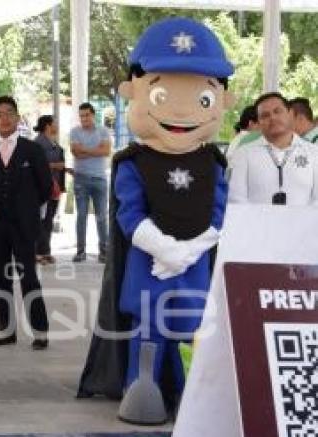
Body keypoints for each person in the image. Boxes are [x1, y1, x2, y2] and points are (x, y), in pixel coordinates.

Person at [78, 17, 234, 410]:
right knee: (148, 328)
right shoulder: (133, 162)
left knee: (192, 328)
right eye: (162, 95)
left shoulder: (213, 163)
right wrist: (164, 249)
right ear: (134, 92)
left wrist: (187, 253)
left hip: (193, 266)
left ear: (222, 102)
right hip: (149, 265)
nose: (182, 110)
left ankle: (187, 396)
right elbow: (129, 215)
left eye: (203, 99)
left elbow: (220, 215)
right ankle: (140, 389)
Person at [0, 96, 52, 350]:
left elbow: (45, 187)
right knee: (0, 278)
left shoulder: (33, 150)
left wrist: (27, 208)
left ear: (18, 118)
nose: (4, 118)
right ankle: (6, 330)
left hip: (24, 225)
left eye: (9, 113)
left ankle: (40, 332)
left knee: (28, 277)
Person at [229, 92, 318, 206]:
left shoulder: (313, 152)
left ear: (290, 114)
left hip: (303, 222)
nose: (272, 117)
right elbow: (236, 200)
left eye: (277, 111)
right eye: (265, 115)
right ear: (259, 122)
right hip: (256, 223)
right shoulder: (243, 154)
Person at [69, 102, 111, 263]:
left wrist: (85, 149)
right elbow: (76, 153)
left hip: (100, 179)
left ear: (93, 115)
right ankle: (80, 252)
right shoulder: (75, 131)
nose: (84, 118)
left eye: (86, 115)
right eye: (81, 116)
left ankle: (104, 252)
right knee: (81, 216)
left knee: (101, 217)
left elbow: (106, 151)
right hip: (81, 178)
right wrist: (96, 150)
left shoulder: (103, 131)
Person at [33, 115, 68, 264]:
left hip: (55, 187)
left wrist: (65, 169)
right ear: (47, 126)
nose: (57, 126)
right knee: (41, 219)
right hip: (43, 187)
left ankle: (45, 251)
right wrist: (55, 166)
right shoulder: (38, 143)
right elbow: (35, 164)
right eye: (55, 123)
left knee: (49, 220)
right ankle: (37, 253)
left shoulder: (52, 141)